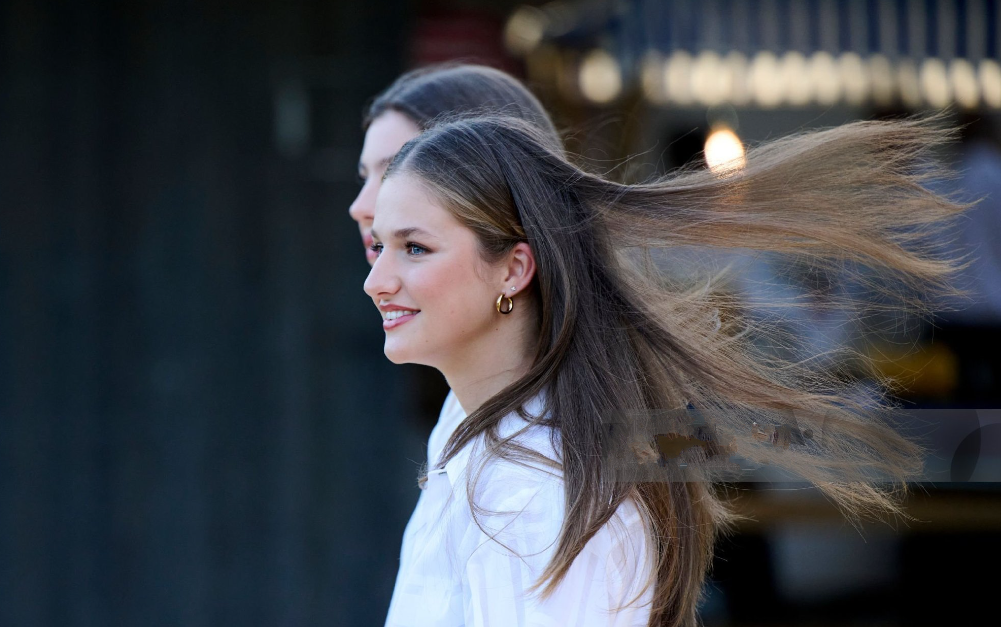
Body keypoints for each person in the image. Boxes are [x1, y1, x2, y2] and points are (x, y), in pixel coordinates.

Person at [363, 113, 965, 626]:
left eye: (415, 247)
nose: (376, 281)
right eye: (379, 246)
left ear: (514, 269)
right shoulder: (472, 432)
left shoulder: (532, 493)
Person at [350, 63, 563, 462]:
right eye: (365, 176)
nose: (360, 206)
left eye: (395, 166)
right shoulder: (464, 409)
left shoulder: (541, 469)